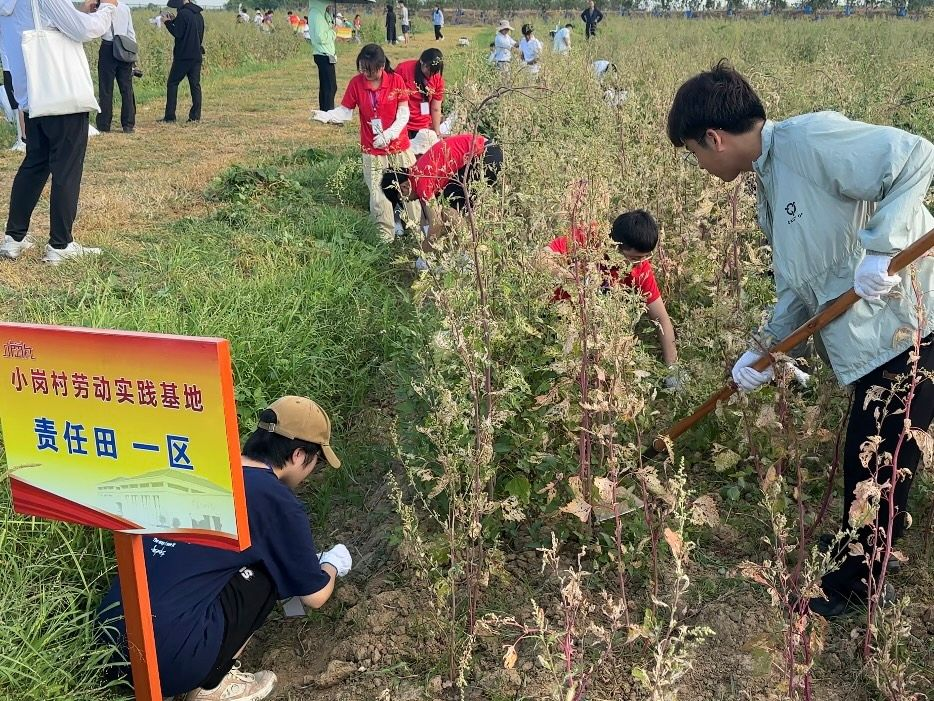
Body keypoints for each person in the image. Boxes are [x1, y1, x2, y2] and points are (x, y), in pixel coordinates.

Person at [667, 60, 934, 617]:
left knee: (877, 462)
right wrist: (764, 351)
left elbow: (916, 155)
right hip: (883, 336)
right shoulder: (769, 177)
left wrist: (882, 248)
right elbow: (801, 287)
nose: (700, 166)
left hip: (916, 319)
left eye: (693, 153)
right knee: (879, 451)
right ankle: (868, 552)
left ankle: (856, 586)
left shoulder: (810, 140)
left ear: (714, 138)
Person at [97, 396, 352, 701]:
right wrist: (332, 563)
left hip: (107, 645)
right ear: (299, 455)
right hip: (169, 662)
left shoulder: (200, 470)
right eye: (316, 461)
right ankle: (212, 685)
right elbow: (315, 596)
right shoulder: (274, 499)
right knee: (267, 571)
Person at [0, 0, 118, 264]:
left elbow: (47, 22)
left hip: (31, 95)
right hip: (61, 92)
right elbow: (85, 30)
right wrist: (108, 8)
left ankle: (14, 239)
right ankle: (60, 244)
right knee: (66, 168)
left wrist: (80, 11)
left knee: (35, 164)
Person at [541, 211, 680, 383]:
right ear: (615, 246)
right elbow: (541, 258)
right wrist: (572, 278)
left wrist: (673, 370)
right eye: (634, 257)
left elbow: (661, 319)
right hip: (554, 320)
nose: (639, 263)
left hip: (594, 332)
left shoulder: (640, 267)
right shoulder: (588, 239)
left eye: (645, 257)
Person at [312, 44, 419, 241]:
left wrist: (390, 133)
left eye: (370, 70)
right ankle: (384, 237)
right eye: (362, 69)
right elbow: (345, 112)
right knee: (378, 195)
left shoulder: (396, 80)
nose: (366, 74)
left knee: (409, 187)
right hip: (372, 148)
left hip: (398, 146)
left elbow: (404, 113)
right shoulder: (356, 83)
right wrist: (328, 116)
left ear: (381, 67)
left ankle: (418, 231)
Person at [379, 133, 503, 233]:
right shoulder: (416, 174)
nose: (408, 201)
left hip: (484, 156)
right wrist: (424, 239)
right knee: (449, 204)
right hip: (490, 150)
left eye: (403, 199)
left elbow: (436, 224)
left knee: (449, 208)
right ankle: (466, 246)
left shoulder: (421, 181)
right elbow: (426, 217)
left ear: (404, 187)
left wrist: (425, 253)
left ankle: (467, 250)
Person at [96, 0, 137, 134]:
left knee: (106, 88)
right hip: (125, 47)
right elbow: (131, 32)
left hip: (108, 47)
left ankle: (104, 124)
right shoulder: (125, 8)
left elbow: (99, 30)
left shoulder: (103, 8)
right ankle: (128, 124)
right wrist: (133, 54)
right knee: (126, 88)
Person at [161, 0, 205, 124]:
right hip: (196, 54)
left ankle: (170, 116)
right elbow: (193, 31)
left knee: (172, 83)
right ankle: (195, 116)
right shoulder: (198, 14)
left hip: (184, 56)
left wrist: (167, 22)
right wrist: (175, 20)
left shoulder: (183, 13)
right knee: (195, 85)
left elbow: (178, 33)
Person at [396, 48, 444, 155]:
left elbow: (436, 108)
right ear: (422, 62)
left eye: (434, 72)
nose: (430, 74)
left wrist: (436, 132)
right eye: (428, 69)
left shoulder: (437, 79)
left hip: (424, 127)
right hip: (404, 124)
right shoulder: (403, 70)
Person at [308, 0, 337, 111]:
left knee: (326, 86)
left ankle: (324, 111)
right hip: (323, 54)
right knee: (330, 87)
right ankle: (328, 112)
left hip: (325, 54)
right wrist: (334, 32)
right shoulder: (317, 14)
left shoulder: (320, 13)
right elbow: (321, 37)